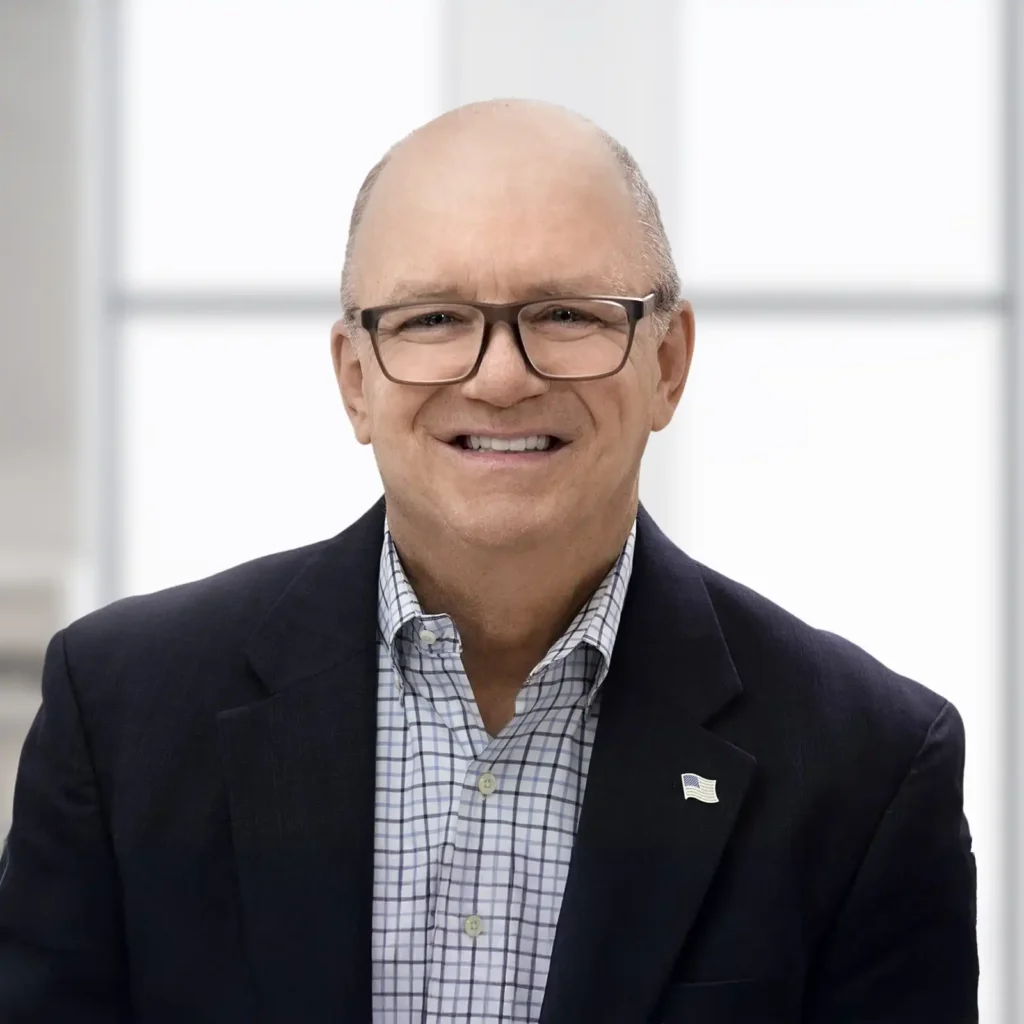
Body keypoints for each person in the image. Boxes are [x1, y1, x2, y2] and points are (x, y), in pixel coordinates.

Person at [0, 99, 977, 1023]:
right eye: (431, 318)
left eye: (566, 313)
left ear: (668, 362)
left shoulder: (871, 768)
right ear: (354, 378)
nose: (501, 376)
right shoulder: (122, 712)